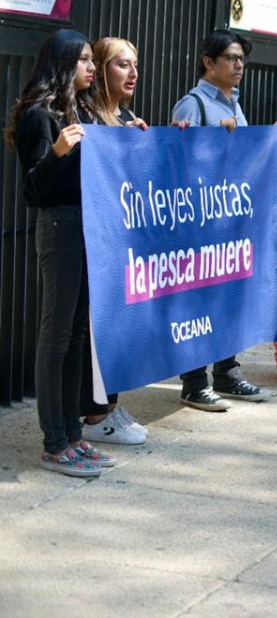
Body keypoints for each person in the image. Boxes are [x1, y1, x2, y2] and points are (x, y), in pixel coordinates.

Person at [6, 29, 116, 476]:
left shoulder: (82, 109)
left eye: (93, 60)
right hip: (60, 228)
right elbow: (33, 189)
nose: (93, 68)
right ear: (64, 63)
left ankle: (73, 434)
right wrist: (56, 152)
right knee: (55, 338)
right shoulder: (39, 116)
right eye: (86, 60)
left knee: (74, 337)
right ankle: (54, 443)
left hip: (87, 228)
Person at [170, 29, 277, 410]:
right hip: (200, 223)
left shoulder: (234, 105)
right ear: (209, 62)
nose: (239, 66)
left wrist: (269, 136)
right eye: (232, 58)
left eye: (242, 59)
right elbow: (181, 163)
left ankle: (226, 372)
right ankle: (193, 382)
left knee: (226, 298)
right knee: (197, 301)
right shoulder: (193, 105)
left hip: (229, 222)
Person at [79, 37, 150, 444]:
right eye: (123, 65)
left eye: (135, 65)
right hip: (95, 246)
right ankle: (94, 415)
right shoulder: (86, 117)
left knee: (119, 326)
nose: (133, 74)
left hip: (124, 247)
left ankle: (108, 405)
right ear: (101, 70)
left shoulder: (127, 118)